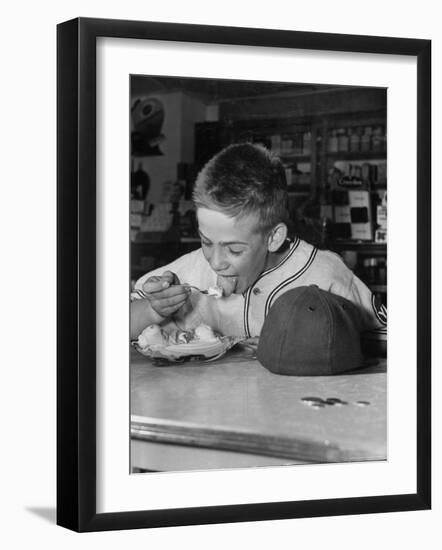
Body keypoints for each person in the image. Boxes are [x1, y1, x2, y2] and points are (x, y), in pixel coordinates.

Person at [130, 143, 387, 341]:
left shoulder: (325, 273)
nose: (216, 262)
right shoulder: (189, 272)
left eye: (234, 249)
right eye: (206, 241)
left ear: (273, 237)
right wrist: (153, 310)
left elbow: (388, 340)